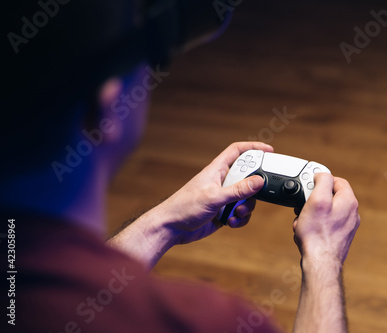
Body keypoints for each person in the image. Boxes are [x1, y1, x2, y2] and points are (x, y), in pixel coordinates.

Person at [2, 1, 360, 332]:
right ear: (106, 107)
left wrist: (163, 224)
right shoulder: (203, 322)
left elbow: (65, 288)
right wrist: (323, 258)